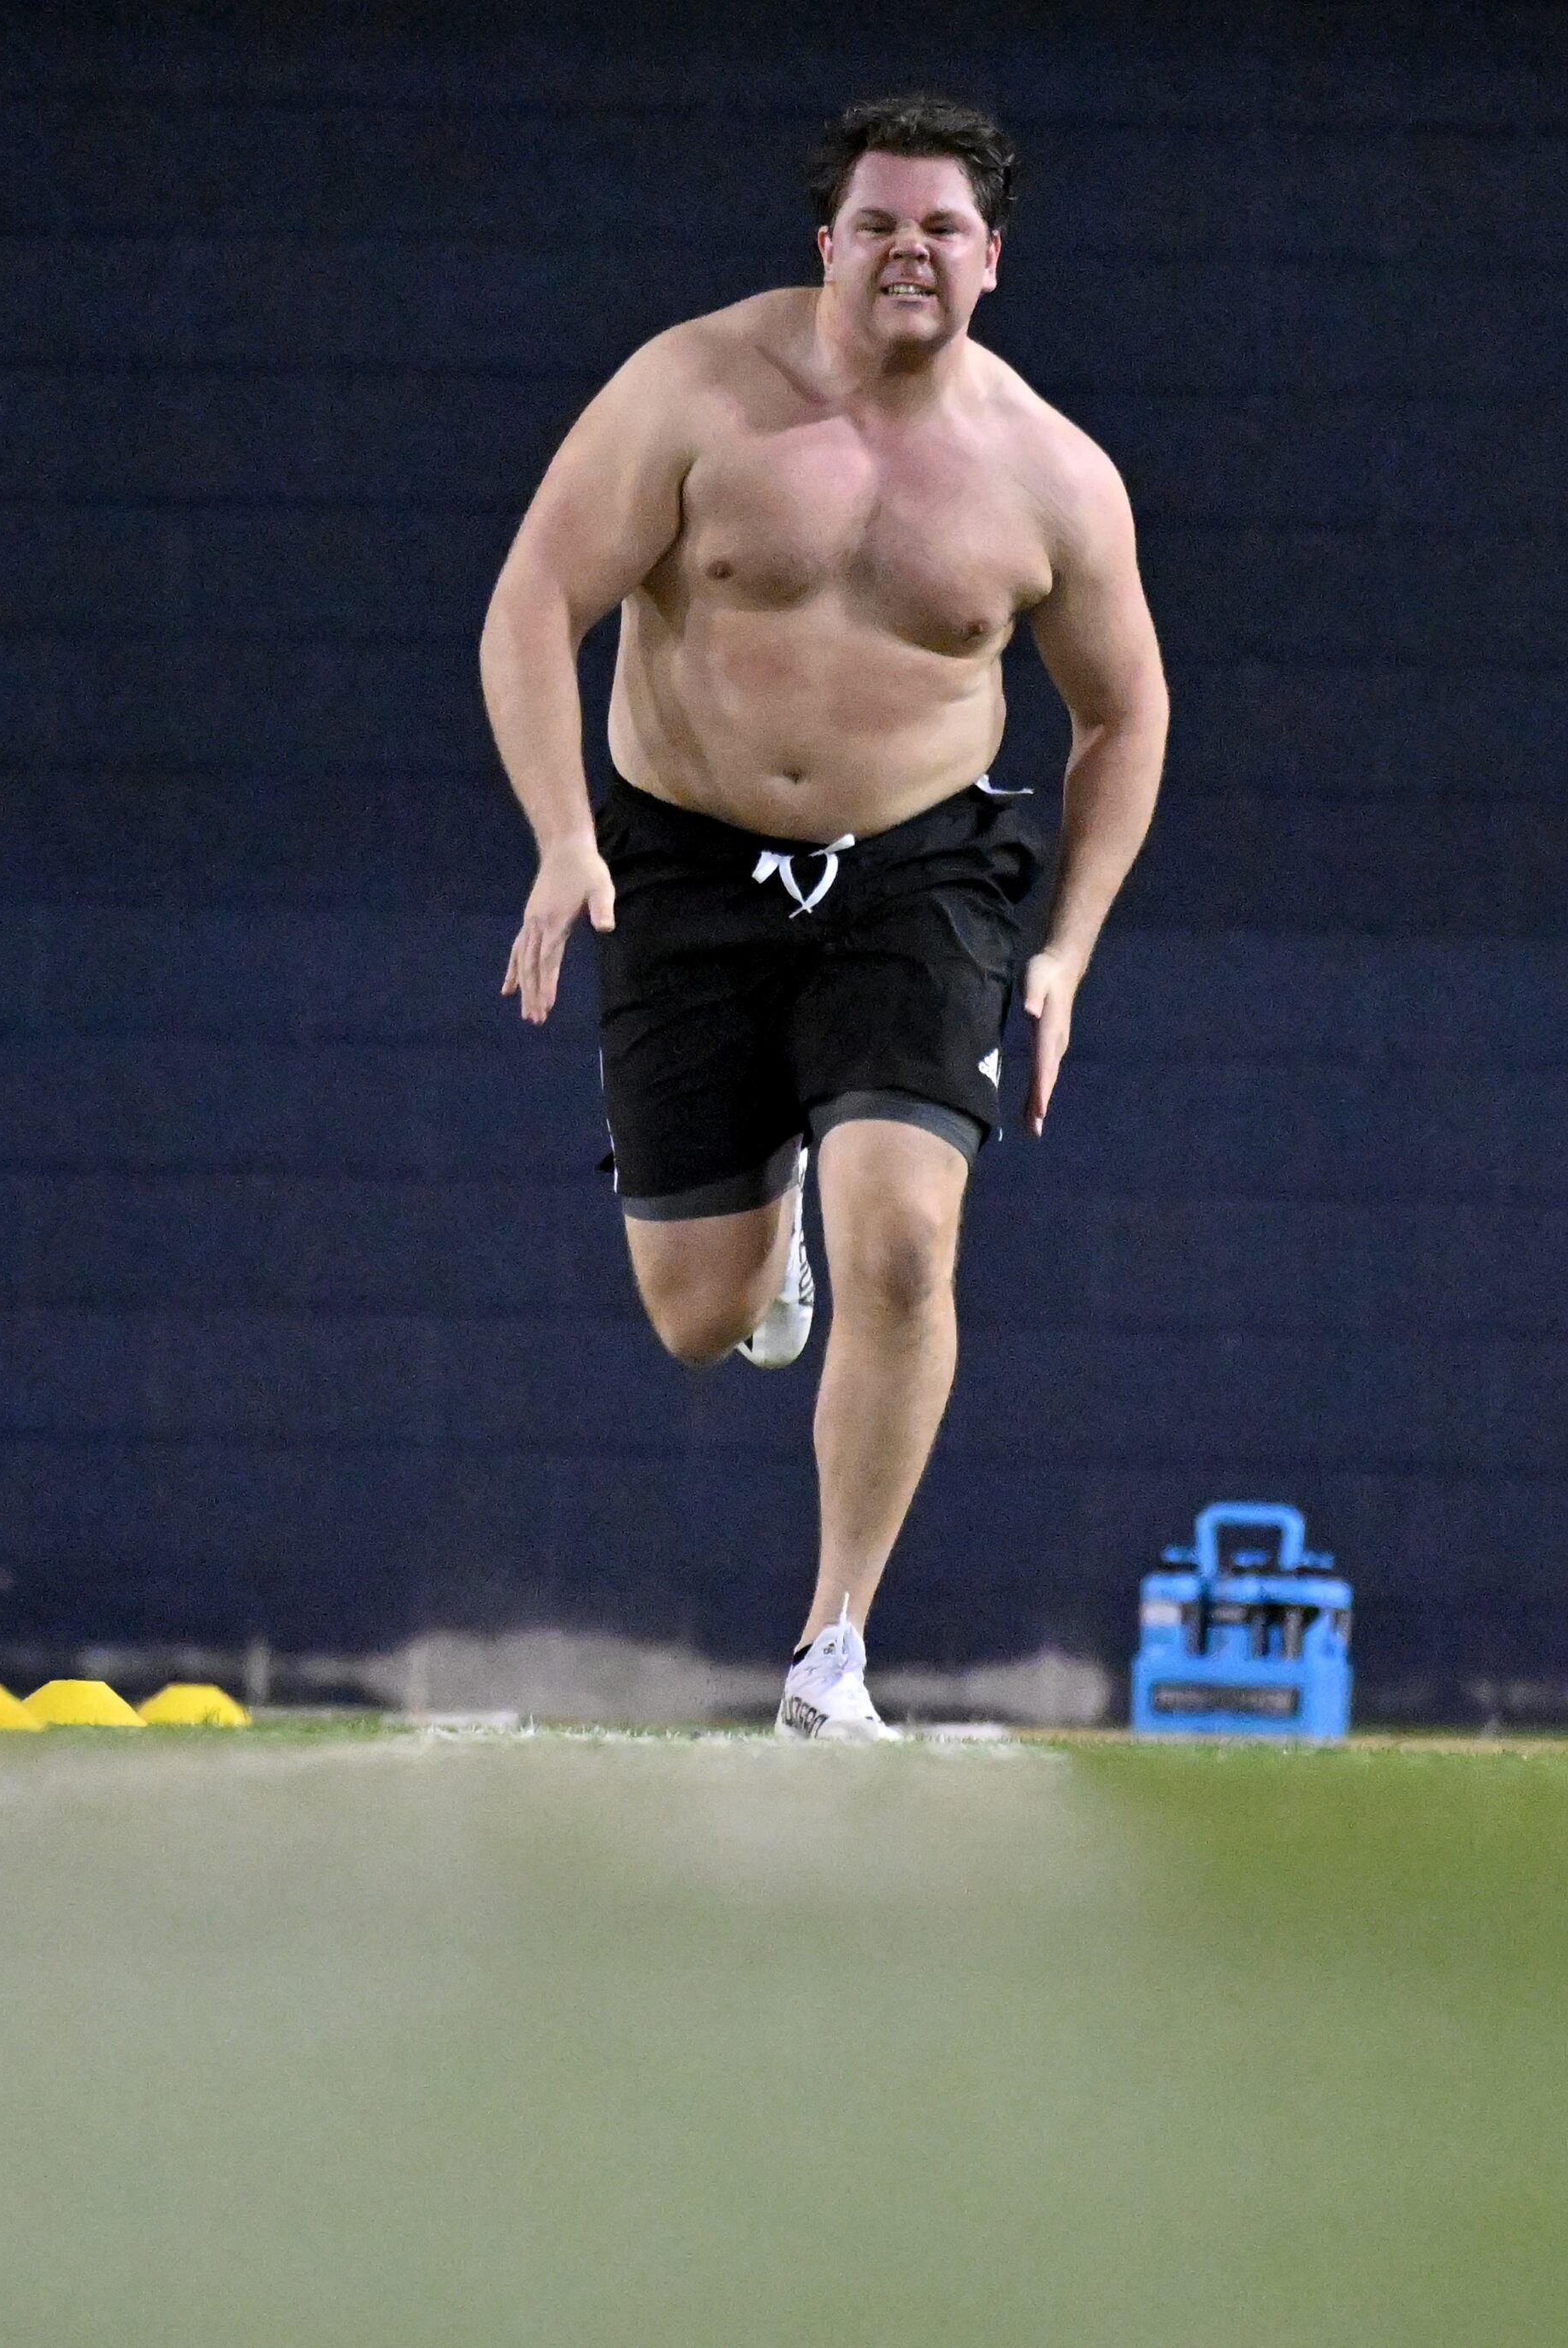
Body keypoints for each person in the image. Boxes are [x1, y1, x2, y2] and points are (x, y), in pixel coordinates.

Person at [478, 93, 1167, 1739]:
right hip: (686, 862)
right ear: (828, 245)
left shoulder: (1053, 475)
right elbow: (532, 603)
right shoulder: (694, 390)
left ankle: (833, 1647)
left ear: (993, 258)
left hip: (920, 875)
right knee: (698, 1317)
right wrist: (566, 839)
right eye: (878, 225)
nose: (908, 252)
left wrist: (1066, 948)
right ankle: (760, 1209)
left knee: (910, 1240)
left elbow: (1126, 713)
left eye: (942, 228)